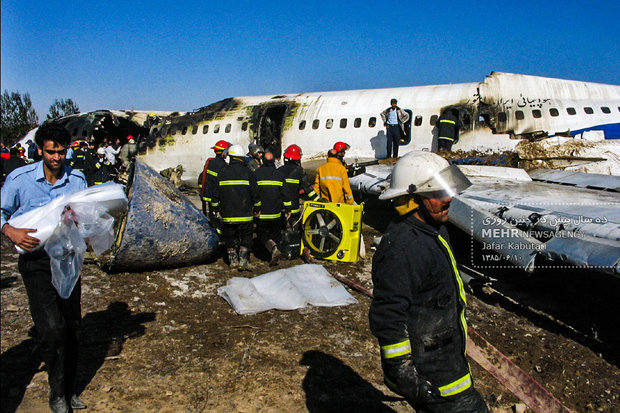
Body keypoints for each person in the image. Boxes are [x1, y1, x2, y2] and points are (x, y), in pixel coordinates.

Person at [369, 151, 488, 413]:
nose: (448, 198)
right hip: (433, 375)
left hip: (445, 358)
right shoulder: (403, 248)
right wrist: (402, 372)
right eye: (436, 193)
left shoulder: (433, 229)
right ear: (412, 199)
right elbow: (388, 315)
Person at [1, 122, 88, 413]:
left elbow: (86, 216)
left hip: (66, 259)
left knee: (73, 328)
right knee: (51, 329)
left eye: (61, 152)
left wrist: (81, 222)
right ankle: (56, 391)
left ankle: (70, 388)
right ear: (40, 150)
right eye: (51, 152)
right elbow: (1, 211)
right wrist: (10, 231)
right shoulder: (20, 179)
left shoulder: (77, 179)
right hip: (36, 261)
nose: (56, 158)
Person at [211, 144, 261, 271]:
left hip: (228, 215)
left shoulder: (222, 173)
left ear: (230, 158)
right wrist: (257, 208)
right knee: (246, 237)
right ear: (242, 158)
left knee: (230, 237)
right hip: (245, 214)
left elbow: (215, 194)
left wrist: (216, 210)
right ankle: (243, 261)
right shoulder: (248, 173)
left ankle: (232, 260)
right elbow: (255, 193)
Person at [254, 151, 291, 266]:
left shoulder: (256, 174)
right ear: (273, 161)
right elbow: (285, 193)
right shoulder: (279, 174)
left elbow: (254, 193)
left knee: (261, 233)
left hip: (262, 213)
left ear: (263, 161)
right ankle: (274, 253)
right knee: (275, 233)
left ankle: (272, 248)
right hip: (276, 213)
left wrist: (256, 208)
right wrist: (288, 209)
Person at [279, 144, 320, 230]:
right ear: (298, 158)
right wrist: (317, 200)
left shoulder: (279, 170)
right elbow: (308, 188)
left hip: (281, 209)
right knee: (296, 231)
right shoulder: (300, 171)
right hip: (294, 209)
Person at [198, 140, 230, 231]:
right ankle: (219, 233)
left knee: (212, 217)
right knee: (218, 219)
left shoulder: (210, 162)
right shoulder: (223, 166)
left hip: (207, 196)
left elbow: (202, 177)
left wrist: (202, 191)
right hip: (216, 197)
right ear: (224, 152)